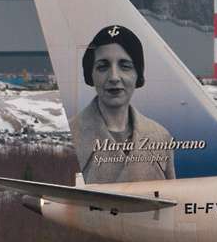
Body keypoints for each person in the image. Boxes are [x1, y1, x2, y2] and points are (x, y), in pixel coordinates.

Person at [71, 25, 175, 183]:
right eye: (103, 67)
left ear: (137, 75)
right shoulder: (71, 135)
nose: (114, 77)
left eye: (125, 66)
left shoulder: (160, 136)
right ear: (91, 74)